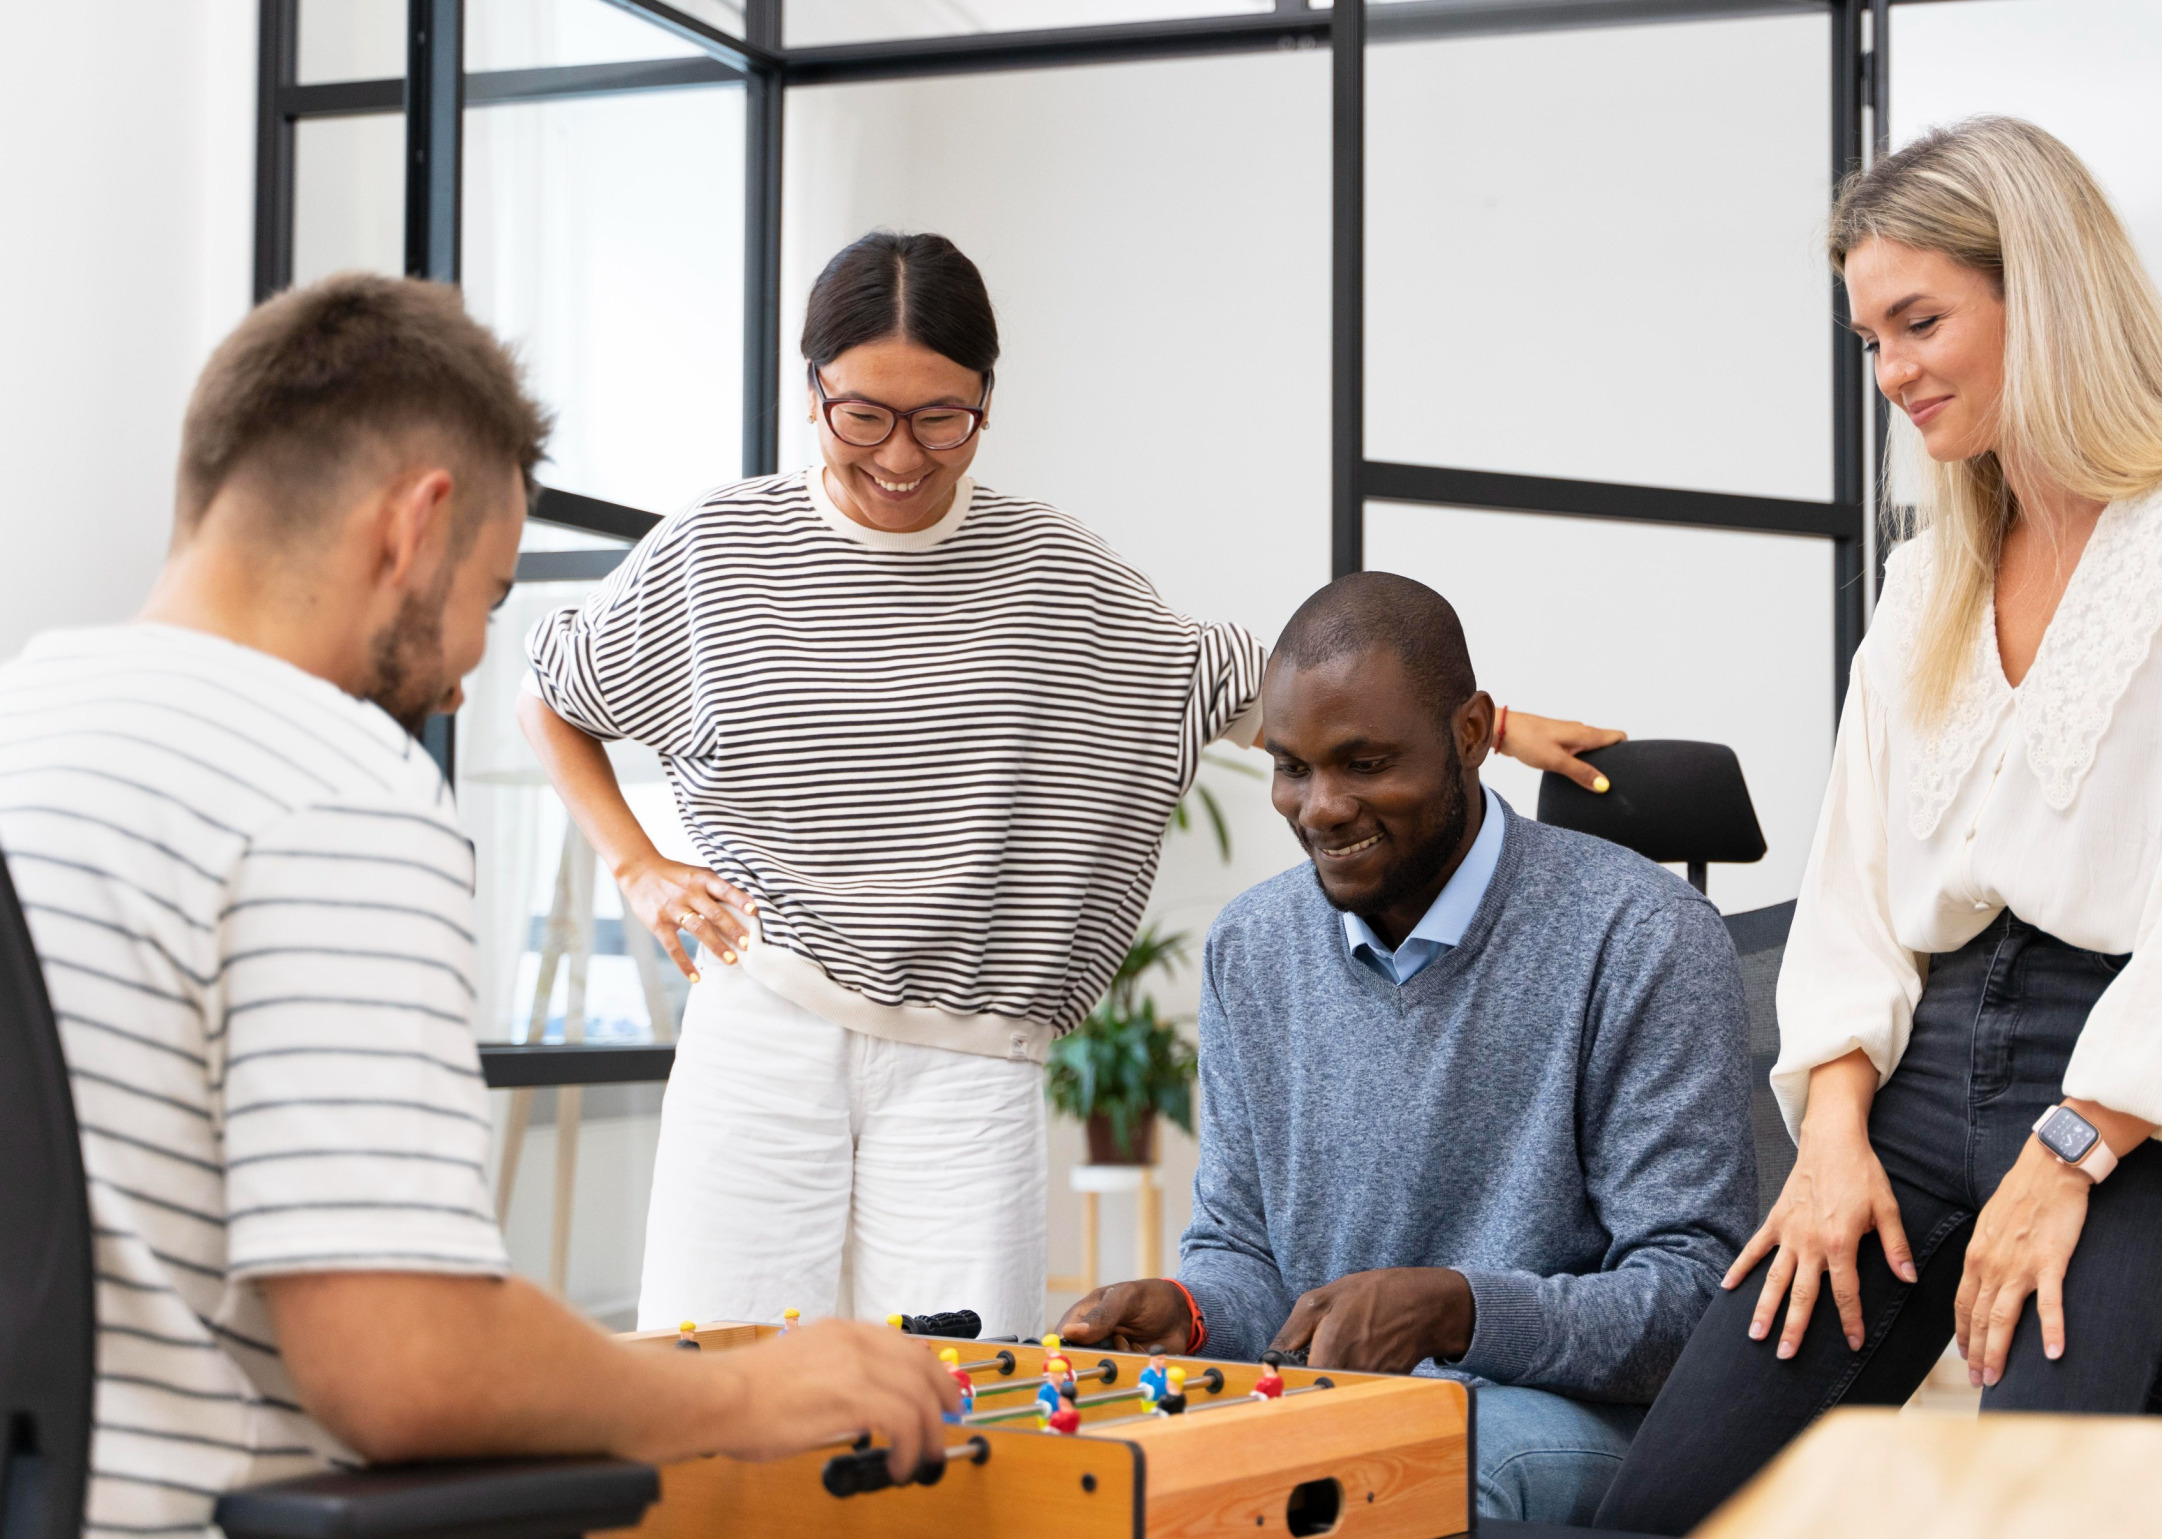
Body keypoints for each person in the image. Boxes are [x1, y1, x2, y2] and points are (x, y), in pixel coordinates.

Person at [0, 274, 952, 1539]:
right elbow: (408, 1368)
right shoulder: (329, 785)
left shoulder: (25, 723)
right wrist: (741, 1390)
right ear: (417, 525)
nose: (462, 679)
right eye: (492, 599)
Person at [515, 231, 1621, 1337]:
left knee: (961, 1421)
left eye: (942, 417)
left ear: (986, 402)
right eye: (865, 414)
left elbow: (1258, 690)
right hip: (761, 1024)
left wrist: (1499, 726)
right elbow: (551, 693)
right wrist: (641, 866)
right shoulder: (720, 549)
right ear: (813, 391)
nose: (902, 455)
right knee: (714, 1388)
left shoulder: (1052, 572)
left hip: (969, 1060)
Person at [1597, 118, 2162, 1535]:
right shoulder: (1929, 573)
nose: (1892, 374)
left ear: (2047, 291)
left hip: (2150, 1105)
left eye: (1920, 322)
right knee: (1663, 1524)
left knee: (2031, 1535)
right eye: (1870, 341)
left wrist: (2070, 1152)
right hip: (1910, 1078)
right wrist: (1829, 1139)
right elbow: (1853, 890)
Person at [1056, 573, 1755, 1524]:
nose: (1322, 807)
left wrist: (1457, 1311)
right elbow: (1243, 1252)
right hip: (1342, 1410)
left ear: (1470, 734)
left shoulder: (1643, 936)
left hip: (1569, 1417)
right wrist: (1191, 1311)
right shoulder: (1251, 948)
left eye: (1365, 763)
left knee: (1391, 1489)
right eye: (1292, 767)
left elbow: (1689, 1308)